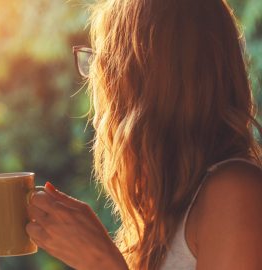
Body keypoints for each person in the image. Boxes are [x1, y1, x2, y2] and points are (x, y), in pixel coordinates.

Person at [26, 0, 262, 269]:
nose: (102, 91)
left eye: (105, 64)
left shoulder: (235, 192)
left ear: (143, 79)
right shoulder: (164, 213)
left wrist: (101, 261)